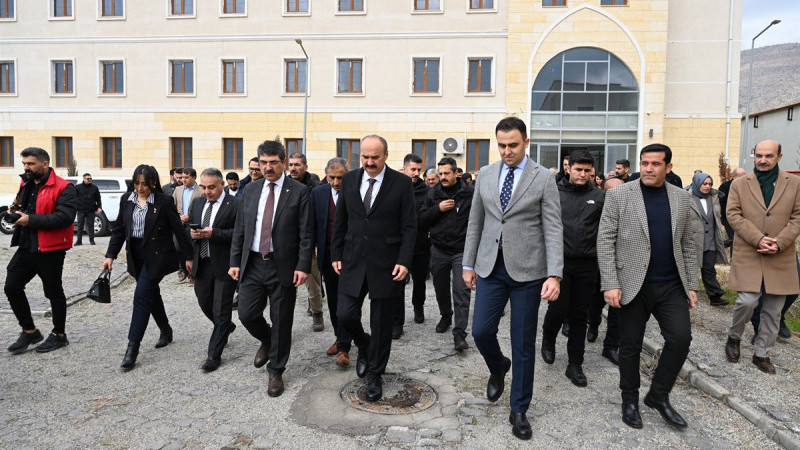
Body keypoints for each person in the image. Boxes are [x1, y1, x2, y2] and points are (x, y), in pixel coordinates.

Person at [463, 117, 563, 440]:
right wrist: (468, 264)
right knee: (480, 331)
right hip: (491, 267)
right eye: (502, 145)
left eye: (513, 145)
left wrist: (554, 274)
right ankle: (497, 366)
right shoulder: (487, 174)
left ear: (526, 142)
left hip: (529, 272)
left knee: (522, 343)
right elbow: (475, 222)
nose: (507, 151)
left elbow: (553, 228)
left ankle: (519, 408)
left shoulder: (543, 178)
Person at [597, 143, 699, 430]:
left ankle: (658, 395)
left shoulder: (681, 198)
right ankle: (629, 399)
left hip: (670, 285)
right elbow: (605, 240)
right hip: (631, 284)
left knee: (680, 339)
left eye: (655, 164)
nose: (649, 169)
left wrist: (691, 284)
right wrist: (610, 284)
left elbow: (687, 244)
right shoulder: (619, 195)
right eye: (645, 163)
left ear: (668, 167)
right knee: (629, 346)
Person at [330, 135, 416, 403]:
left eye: (374, 157)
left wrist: (404, 261)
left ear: (386, 155)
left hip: (387, 263)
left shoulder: (401, 183)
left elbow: (409, 226)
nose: (369, 162)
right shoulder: (350, 179)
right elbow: (341, 219)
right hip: (353, 260)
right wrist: (336, 253)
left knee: (381, 325)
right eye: (365, 157)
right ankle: (363, 344)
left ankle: (375, 374)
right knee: (344, 315)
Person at [229, 140, 313, 397]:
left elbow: (306, 233)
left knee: (282, 319)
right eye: (263, 162)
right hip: (253, 263)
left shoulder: (298, 192)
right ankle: (267, 339)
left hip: (283, 266)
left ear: (283, 163)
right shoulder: (251, 191)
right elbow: (240, 229)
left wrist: (303, 265)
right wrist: (234, 261)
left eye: (273, 163)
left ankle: (276, 370)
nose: (268, 167)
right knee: (246, 313)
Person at [103, 165, 194, 370]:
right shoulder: (126, 200)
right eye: (137, 183)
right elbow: (118, 230)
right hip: (135, 255)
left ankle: (132, 347)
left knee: (141, 295)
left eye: (145, 183)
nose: (140, 188)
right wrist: (110, 255)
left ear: (153, 182)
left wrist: (188, 257)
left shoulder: (163, 201)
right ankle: (166, 329)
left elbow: (178, 230)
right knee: (151, 294)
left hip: (157, 255)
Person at [724, 139, 800, 375]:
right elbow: (733, 214)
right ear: (753, 156)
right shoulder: (739, 184)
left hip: (781, 254)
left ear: (779, 156)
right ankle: (734, 337)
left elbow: (798, 216)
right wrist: (758, 238)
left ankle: (761, 353)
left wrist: (780, 242)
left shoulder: (794, 183)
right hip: (749, 250)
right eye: (759, 155)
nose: (763, 160)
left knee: (774, 309)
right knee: (747, 301)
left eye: (768, 156)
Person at [540, 150, 605, 387]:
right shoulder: (553, 194)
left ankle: (575, 364)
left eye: (588, 170)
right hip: (559, 265)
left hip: (587, 265)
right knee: (557, 310)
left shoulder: (599, 197)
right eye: (579, 169)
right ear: (568, 168)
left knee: (580, 316)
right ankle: (548, 339)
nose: (583, 174)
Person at [5, 147, 77, 354]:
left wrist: (31, 219)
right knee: (12, 286)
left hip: (51, 249)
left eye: (30, 164)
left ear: (45, 164)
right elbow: (22, 204)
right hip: (27, 245)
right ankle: (30, 331)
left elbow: (65, 217)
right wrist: (14, 209)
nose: (26, 167)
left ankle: (59, 335)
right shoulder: (26, 183)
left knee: (53, 292)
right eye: (24, 164)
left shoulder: (64, 187)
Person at [419, 156, 473, 351]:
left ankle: (459, 334)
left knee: (461, 291)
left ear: (456, 173)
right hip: (439, 249)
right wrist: (438, 209)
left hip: (461, 251)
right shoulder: (432, 194)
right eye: (440, 173)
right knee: (440, 288)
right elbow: (422, 219)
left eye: (446, 173)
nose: (442, 177)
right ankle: (446, 315)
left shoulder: (469, 193)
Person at [188, 168, 239, 372]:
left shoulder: (235, 205)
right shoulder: (198, 203)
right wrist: (192, 233)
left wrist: (214, 234)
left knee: (221, 309)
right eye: (203, 187)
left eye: (211, 187)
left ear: (222, 185)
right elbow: (188, 229)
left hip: (225, 265)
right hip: (203, 262)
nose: (207, 191)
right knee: (204, 301)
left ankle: (213, 355)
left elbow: (239, 233)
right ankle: (226, 326)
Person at [311, 157, 352, 365]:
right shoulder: (318, 194)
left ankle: (345, 345)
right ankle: (341, 339)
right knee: (335, 300)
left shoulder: (356, 192)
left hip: (351, 257)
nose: (336, 182)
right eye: (332, 177)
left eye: (340, 178)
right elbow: (313, 224)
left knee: (348, 303)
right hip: (327, 257)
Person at [587, 176, 623, 366]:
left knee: (618, 307)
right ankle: (593, 324)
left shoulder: (631, 209)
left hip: (622, 266)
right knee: (595, 302)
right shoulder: (596, 209)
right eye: (613, 192)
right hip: (597, 264)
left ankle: (610, 347)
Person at [288, 152, 325, 332]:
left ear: (305, 166)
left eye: (297, 165)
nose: (293, 168)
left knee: (313, 283)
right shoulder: (285, 185)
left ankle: (317, 313)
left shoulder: (315, 188)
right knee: (286, 285)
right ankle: (284, 320)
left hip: (308, 242)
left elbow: (319, 217)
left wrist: (317, 243)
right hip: (287, 243)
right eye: (291, 164)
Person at [399, 153, 431, 334]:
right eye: (413, 169)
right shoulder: (396, 187)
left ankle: (418, 306)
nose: (416, 173)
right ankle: (398, 319)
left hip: (420, 244)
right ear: (404, 169)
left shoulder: (426, 191)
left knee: (420, 280)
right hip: (400, 244)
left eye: (419, 169)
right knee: (399, 281)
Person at [688, 173, 728, 306]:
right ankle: (686, 295)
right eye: (704, 184)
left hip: (710, 240)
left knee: (709, 269)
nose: (707, 187)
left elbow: (717, 217)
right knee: (690, 269)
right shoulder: (687, 197)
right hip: (693, 240)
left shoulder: (714, 197)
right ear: (697, 183)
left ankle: (715, 297)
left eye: (710, 184)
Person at [172, 168, 203, 283]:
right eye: (182, 177)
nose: (183, 180)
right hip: (179, 223)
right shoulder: (178, 189)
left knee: (193, 248)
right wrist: (178, 217)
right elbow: (173, 206)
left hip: (193, 224)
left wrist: (190, 218)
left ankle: (193, 274)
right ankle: (183, 269)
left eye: (186, 177)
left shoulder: (200, 190)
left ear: (194, 177)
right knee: (177, 247)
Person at [718, 167, 747, 250]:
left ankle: (727, 243)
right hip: (728, 217)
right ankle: (732, 258)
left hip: (743, 217)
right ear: (733, 176)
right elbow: (722, 203)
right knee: (734, 238)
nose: (744, 178)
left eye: (745, 175)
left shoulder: (747, 186)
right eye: (741, 176)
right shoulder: (725, 187)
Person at [75, 173, 102, 246]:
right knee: (80, 225)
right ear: (83, 179)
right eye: (88, 179)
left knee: (91, 225)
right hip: (81, 209)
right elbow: (74, 197)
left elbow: (98, 198)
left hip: (91, 209)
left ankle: (92, 240)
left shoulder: (94, 187)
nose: (89, 180)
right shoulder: (78, 187)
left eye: (90, 178)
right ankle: (79, 240)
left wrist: (99, 207)